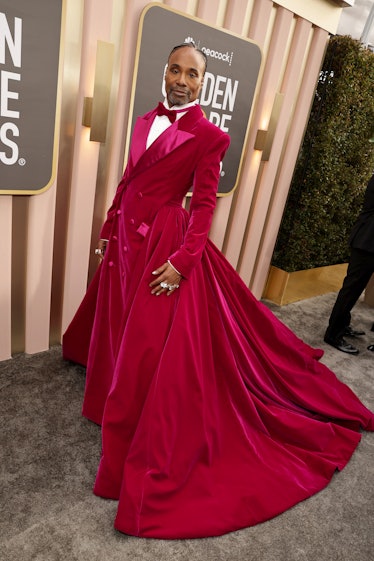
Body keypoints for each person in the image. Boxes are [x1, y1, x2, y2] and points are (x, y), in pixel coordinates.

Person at [63, 43, 374, 539]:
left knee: (148, 342)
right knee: (120, 325)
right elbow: (127, 181)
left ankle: (130, 428)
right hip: (125, 240)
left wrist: (183, 262)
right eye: (175, 69)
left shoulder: (211, 136)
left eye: (193, 74)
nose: (182, 79)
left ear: (203, 82)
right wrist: (108, 228)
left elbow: (204, 206)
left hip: (163, 244)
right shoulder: (145, 121)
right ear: (164, 72)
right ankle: (108, 399)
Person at [324, 173, 374, 354]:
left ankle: (342, 325)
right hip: (367, 242)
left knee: (353, 289)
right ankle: (333, 334)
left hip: (368, 242)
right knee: (351, 289)